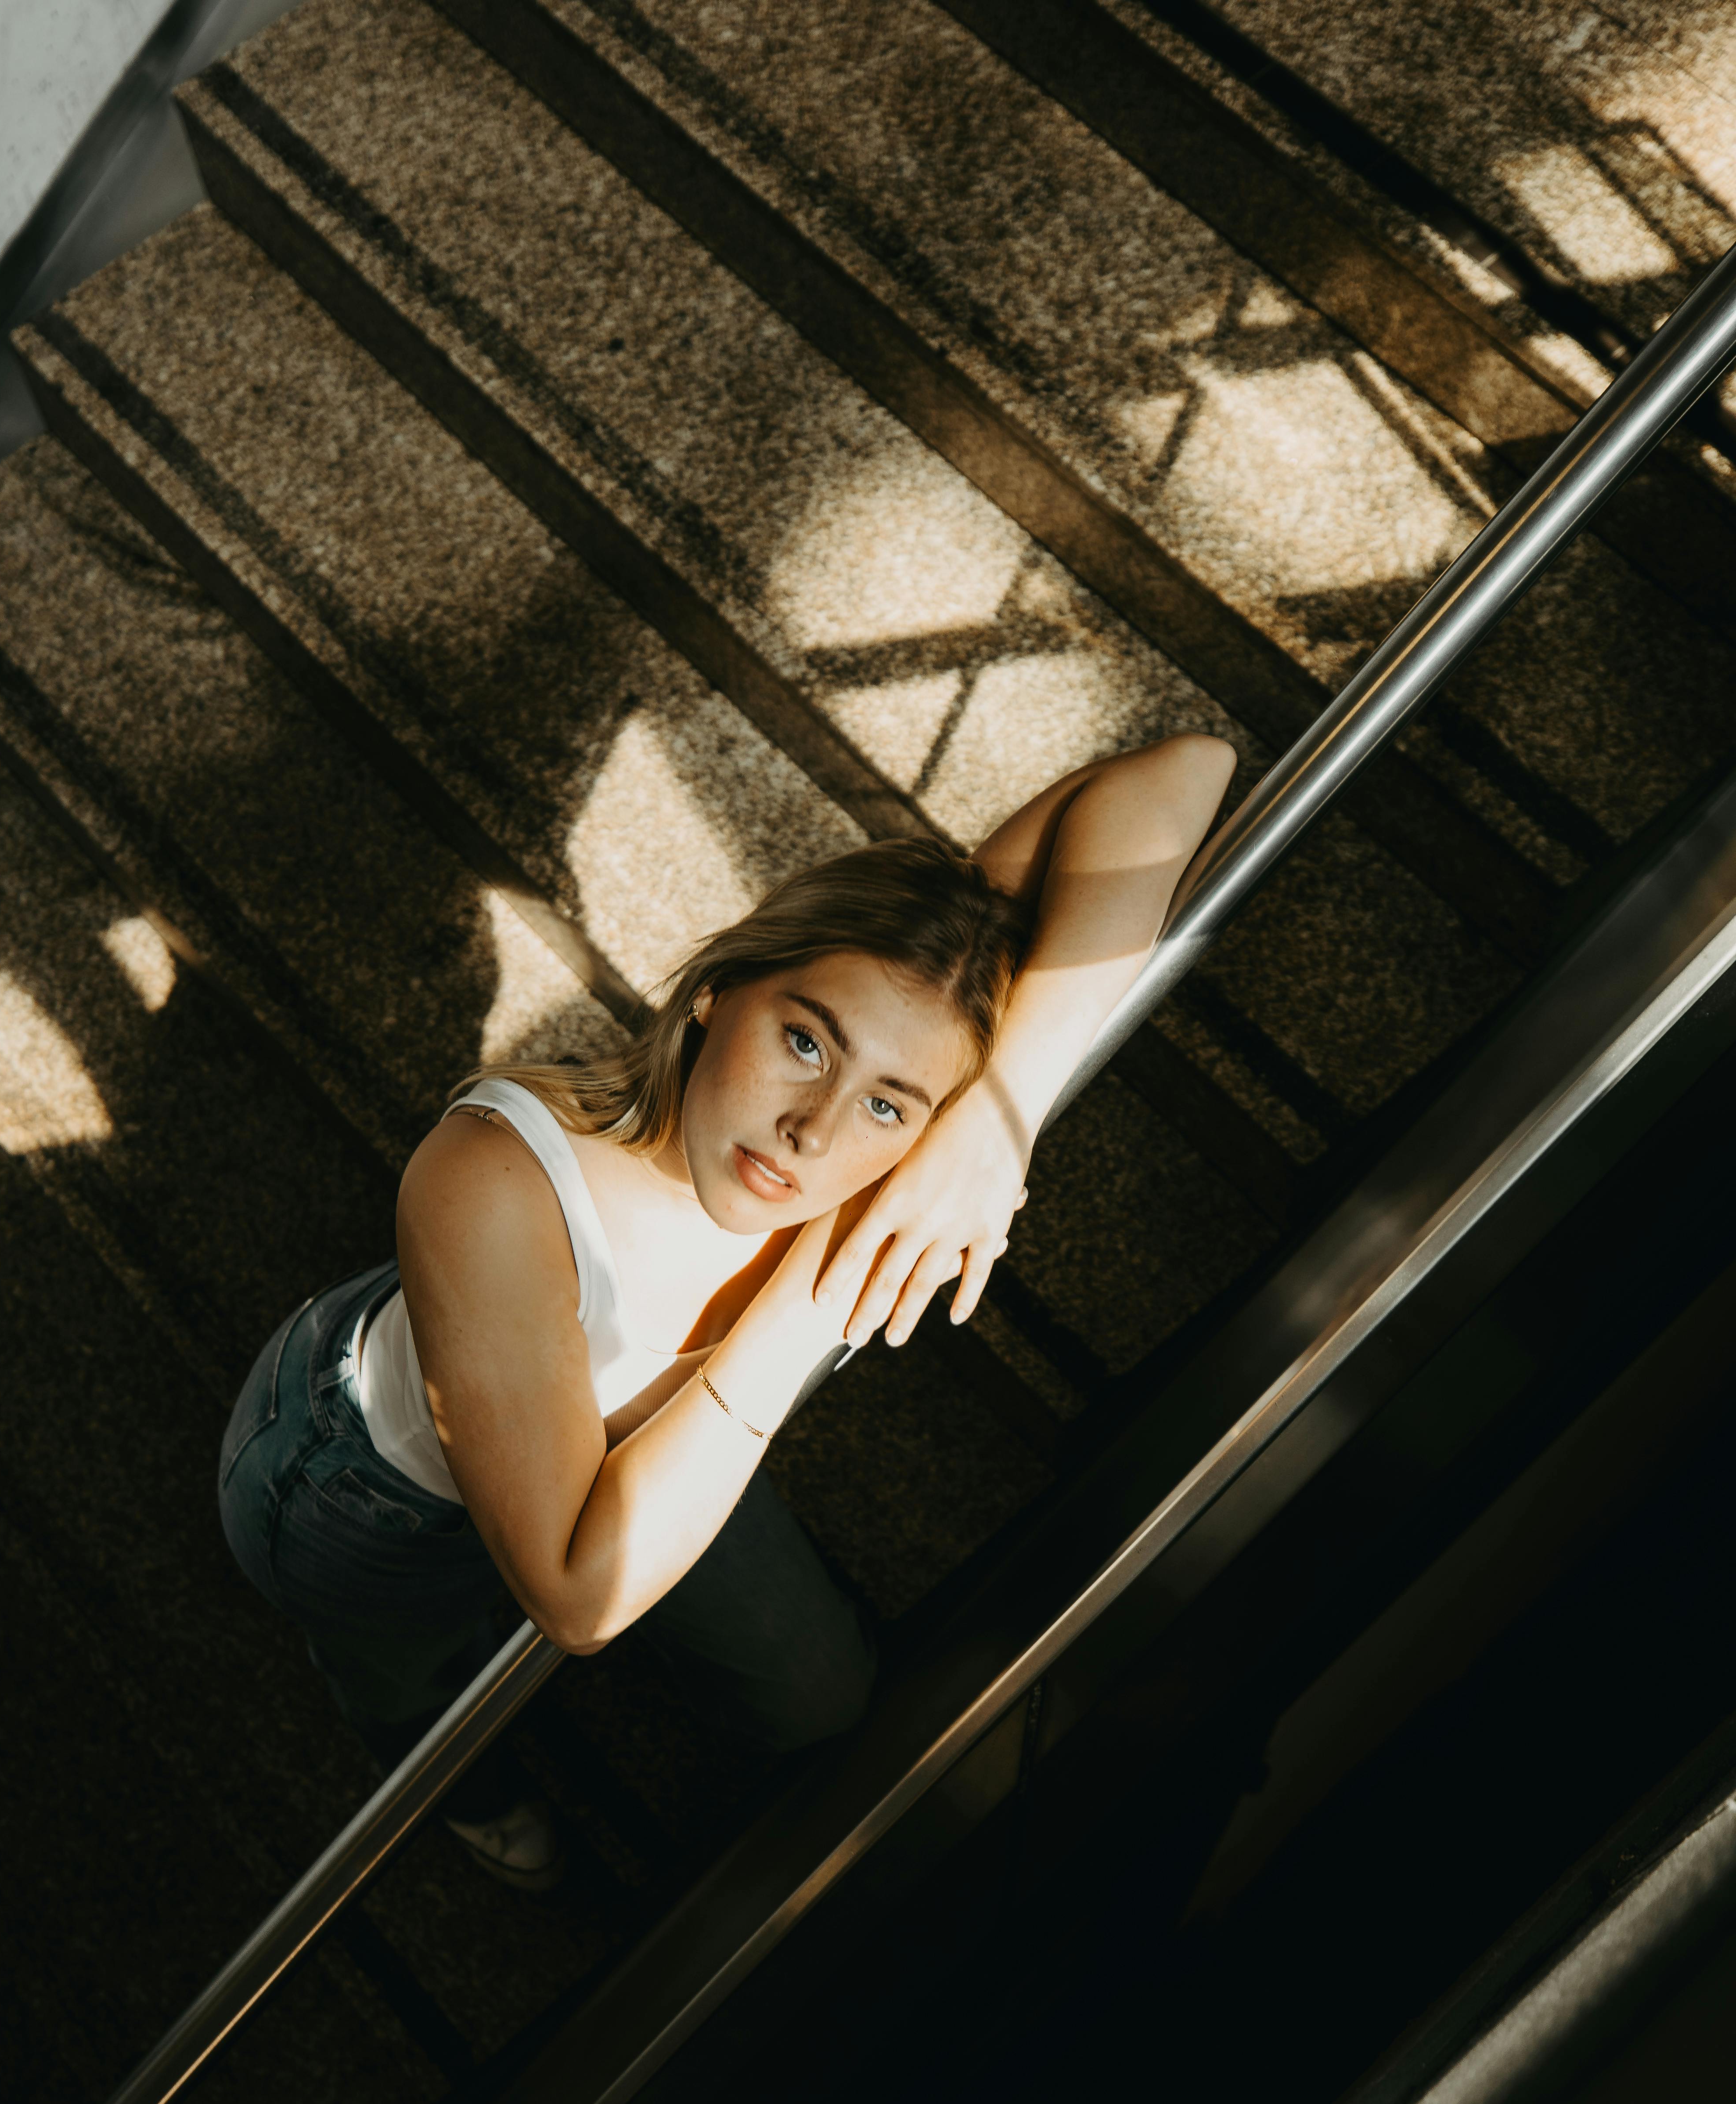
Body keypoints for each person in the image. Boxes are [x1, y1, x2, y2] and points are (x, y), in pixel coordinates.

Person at [219, 735, 1235, 1886]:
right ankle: (437, 1769)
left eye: (891, 1104)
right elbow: (576, 1598)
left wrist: (1001, 1118)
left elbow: (1188, 773)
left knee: (820, 1697)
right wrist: (809, 1303)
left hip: (662, 1434)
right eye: (805, 1042)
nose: (813, 1131)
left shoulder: (926, 1071)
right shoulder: (489, 1178)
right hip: (369, 1490)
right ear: (719, 989)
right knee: (402, 1668)